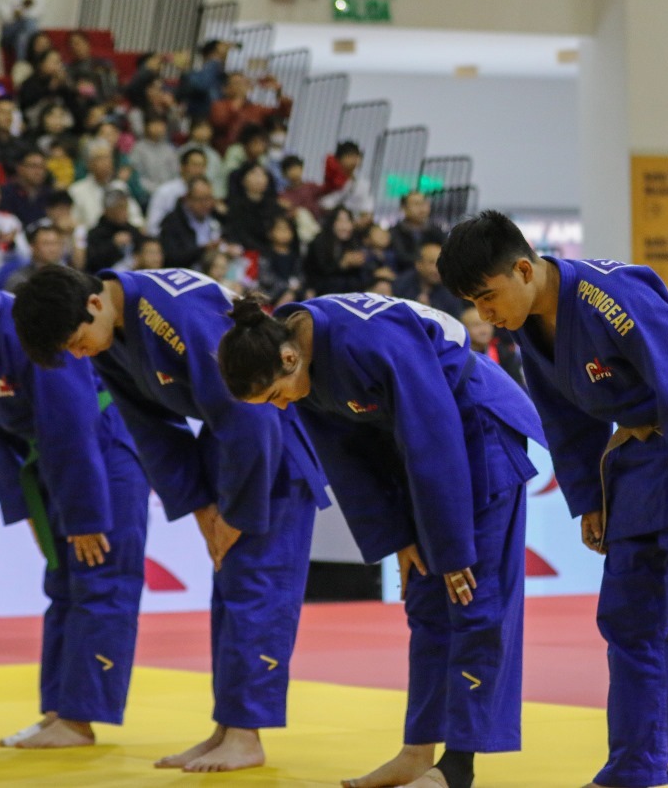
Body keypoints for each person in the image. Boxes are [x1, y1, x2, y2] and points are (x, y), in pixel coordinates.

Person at [439, 211, 668, 788]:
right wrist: (589, 497)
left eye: (487, 296)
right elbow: (564, 418)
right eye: (472, 303)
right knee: (628, 624)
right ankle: (634, 767)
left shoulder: (610, 292)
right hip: (632, 471)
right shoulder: (530, 323)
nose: (484, 315)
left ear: (524, 269)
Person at [11, 263, 332, 773]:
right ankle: (227, 726)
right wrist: (202, 507)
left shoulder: (172, 313)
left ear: (93, 303)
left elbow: (249, 409)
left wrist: (237, 513)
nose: (78, 354)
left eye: (75, 341)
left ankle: (247, 734)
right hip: (228, 449)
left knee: (258, 588)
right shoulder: (112, 331)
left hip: (271, 436)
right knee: (230, 591)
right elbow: (152, 426)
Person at [217, 289, 544, 788]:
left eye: (275, 395)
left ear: (288, 358)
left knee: (474, 595)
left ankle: (458, 768)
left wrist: (452, 548)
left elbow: (432, 434)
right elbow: (348, 460)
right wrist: (400, 535)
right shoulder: (296, 350)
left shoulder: (366, 340)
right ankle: (417, 752)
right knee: (426, 601)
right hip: (417, 454)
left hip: (477, 431)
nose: (280, 407)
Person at [0, 218, 148, 749]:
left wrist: (83, 515)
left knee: (99, 577)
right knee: (61, 583)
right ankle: (60, 709)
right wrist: (28, 512)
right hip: (54, 469)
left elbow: (72, 417)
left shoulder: (22, 325)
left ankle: (81, 719)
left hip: (99, 454)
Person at [160, 176, 224, 269]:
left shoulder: (217, 216)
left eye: (209, 198)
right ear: (188, 199)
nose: (206, 204)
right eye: (200, 199)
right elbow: (172, 258)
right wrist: (202, 251)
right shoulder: (172, 222)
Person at [394, 238, 466, 320]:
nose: (437, 269)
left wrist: (430, 311)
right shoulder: (402, 283)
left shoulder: (451, 290)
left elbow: (454, 321)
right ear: (418, 264)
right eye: (431, 262)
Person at [303, 208, 368, 296]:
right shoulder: (319, 241)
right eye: (340, 221)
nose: (345, 226)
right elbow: (318, 271)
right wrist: (342, 264)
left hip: (348, 289)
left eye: (348, 221)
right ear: (331, 223)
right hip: (321, 288)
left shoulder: (354, 241)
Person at [146, 148, 209, 235]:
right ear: (182, 167)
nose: (199, 170)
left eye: (202, 166)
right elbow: (153, 227)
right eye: (195, 165)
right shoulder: (165, 192)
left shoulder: (207, 192)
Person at [460, 307, 523, 388]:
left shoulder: (505, 354)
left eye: (487, 324)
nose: (484, 331)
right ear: (464, 328)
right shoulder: (458, 357)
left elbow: (517, 386)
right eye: (476, 325)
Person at [0, 219, 63, 292]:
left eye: (56, 243)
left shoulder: (68, 278)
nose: (52, 249)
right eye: (46, 243)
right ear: (32, 246)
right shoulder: (20, 280)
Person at [317, 140, 375, 219]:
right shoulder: (331, 183)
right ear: (339, 159)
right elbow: (324, 203)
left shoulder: (363, 184)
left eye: (356, 156)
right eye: (350, 156)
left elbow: (367, 207)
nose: (354, 160)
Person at [391, 191, 441, 275]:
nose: (422, 208)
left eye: (424, 203)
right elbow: (401, 257)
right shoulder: (395, 232)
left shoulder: (436, 231)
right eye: (416, 204)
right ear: (404, 208)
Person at [0, 148, 53, 224]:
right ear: (20, 168)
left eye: (42, 167)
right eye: (34, 166)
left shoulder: (49, 195)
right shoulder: (5, 193)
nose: (39, 172)